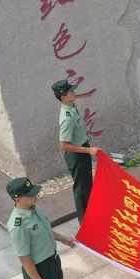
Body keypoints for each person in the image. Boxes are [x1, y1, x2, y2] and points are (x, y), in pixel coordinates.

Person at [53, 80, 100, 223]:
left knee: (87, 184)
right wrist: (88, 150)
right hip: (76, 155)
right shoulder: (67, 118)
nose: (74, 93)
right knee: (82, 188)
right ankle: (85, 221)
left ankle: (91, 214)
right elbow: (64, 145)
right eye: (71, 91)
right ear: (63, 97)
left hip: (82, 150)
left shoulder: (72, 107)